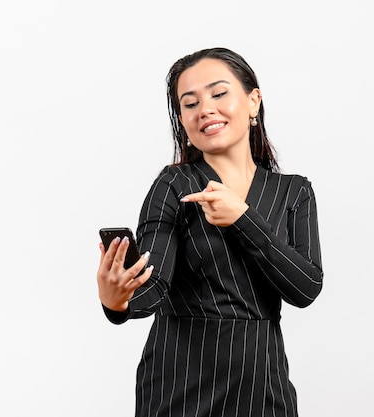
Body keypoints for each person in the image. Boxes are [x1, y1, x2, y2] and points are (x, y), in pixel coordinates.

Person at [96, 47, 324, 417]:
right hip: (180, 379)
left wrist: (243, 218)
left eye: (219, 94)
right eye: (190, 103)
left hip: (262, 383)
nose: (205, 109)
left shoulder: (294, 191)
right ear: (182, 120)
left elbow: (305, 288)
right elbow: (154, 286)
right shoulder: (174, 185)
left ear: (253, 101)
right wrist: (117, 300)